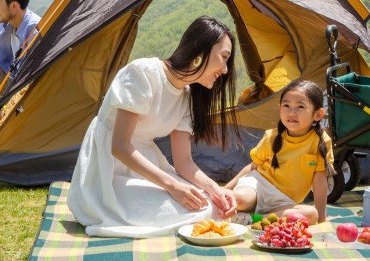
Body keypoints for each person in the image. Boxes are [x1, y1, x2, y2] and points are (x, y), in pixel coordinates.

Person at [67, 16, 241, 238]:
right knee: (192, 209)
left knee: (208, 204)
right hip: (109, 168)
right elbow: (119, 146)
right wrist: (171, 186)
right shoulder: (144, 73)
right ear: (201, 49)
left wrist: (216, 190)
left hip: (147, 167)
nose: (225, 70)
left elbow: (184, 162)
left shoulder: (187, 97)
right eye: (224, 58)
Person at [225, 79, 334, 224]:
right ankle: (239, 210)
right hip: (258, 185)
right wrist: (225, 190)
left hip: (284, 202)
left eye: (300, 107)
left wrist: (322, 217)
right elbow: (252, 166)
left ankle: (251, 219)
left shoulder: (321, 141)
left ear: (318, 114)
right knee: (237, 200)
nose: (291, 112)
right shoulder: (272, 136)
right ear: (279, 109)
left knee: (310, 215)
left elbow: (320, 180)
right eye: (286, 105)